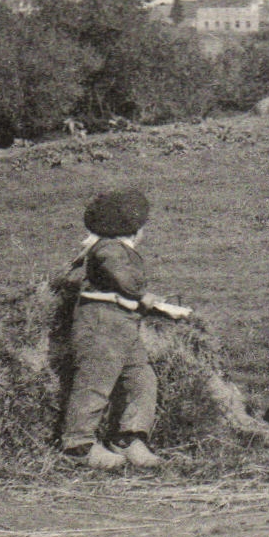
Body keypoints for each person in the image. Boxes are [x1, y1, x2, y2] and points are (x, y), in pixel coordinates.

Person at [57, 187, 190, 470]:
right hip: (101, 325)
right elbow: (125, 280)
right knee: (95, 382)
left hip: (124, 327)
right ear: (133, 229)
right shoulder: (108, 248)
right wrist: (143, 295)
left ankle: (129, 438)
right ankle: (77, 446)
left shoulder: (113, 248)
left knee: (142, 381)